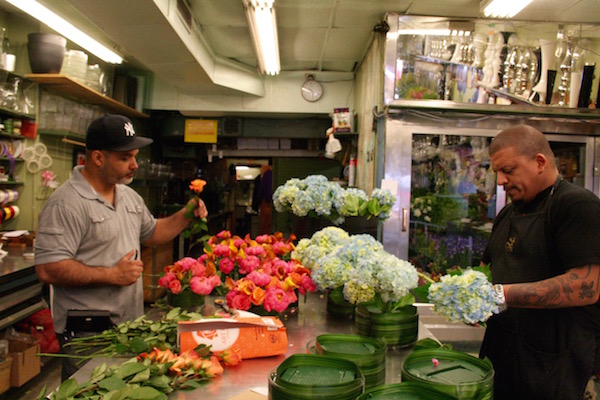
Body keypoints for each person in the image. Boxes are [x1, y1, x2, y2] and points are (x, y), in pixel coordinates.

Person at [34, 114, 208, 380]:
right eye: (125, 158)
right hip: (88, 334)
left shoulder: (128, 196)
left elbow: (152, 232)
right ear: (98, 158)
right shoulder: (66, 204)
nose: (134, 165)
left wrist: (186, 213)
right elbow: (48, 268)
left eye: (135, 156)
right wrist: (111, 275)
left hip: (129, 326)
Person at [480, 125, 600, 399]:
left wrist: (499, 295)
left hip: (555, 364)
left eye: (508, 170)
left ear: (539, 162)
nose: (500, 180)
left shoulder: (576, 206)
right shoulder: (508, 213)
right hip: (504, 354)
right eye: (496, 172)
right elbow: (492, 269)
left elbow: (587, 285)